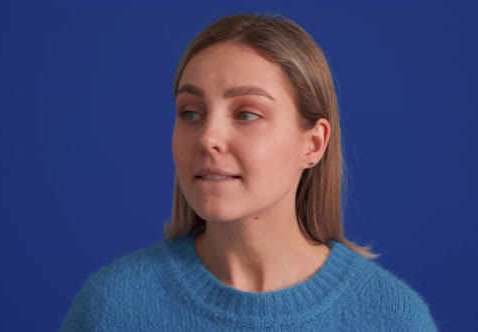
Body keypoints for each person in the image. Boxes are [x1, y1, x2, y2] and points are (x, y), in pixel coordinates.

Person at [60, 13, 437, 331]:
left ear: (314, 143)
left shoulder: (391, 319)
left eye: (246, 114)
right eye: (190, 113)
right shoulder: (111, 310)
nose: (208, 138)